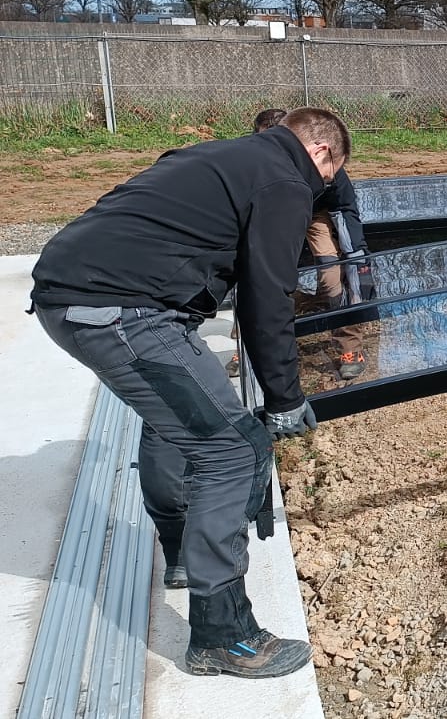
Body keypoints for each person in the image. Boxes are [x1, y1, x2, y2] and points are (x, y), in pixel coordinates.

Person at [29, 107, 350, 679]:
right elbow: (268, 295)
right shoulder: (284, 178)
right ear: (321, 153)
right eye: (328, 177)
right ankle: (223, 636)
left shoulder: (223, 156)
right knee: (233, 447)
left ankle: (182, 554)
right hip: (118, 311)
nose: (322, 189)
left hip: (82, 294)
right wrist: (281, 397)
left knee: (181, 422)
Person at [250, 108, 371, 382]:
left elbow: (347, 208)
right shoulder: (252, 164)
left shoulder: (329, 169)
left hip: (315, 213)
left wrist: (358, 258)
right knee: (260, 277)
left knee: (333, 276)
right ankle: (246, 348)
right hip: (272, 213)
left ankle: (349, 346)